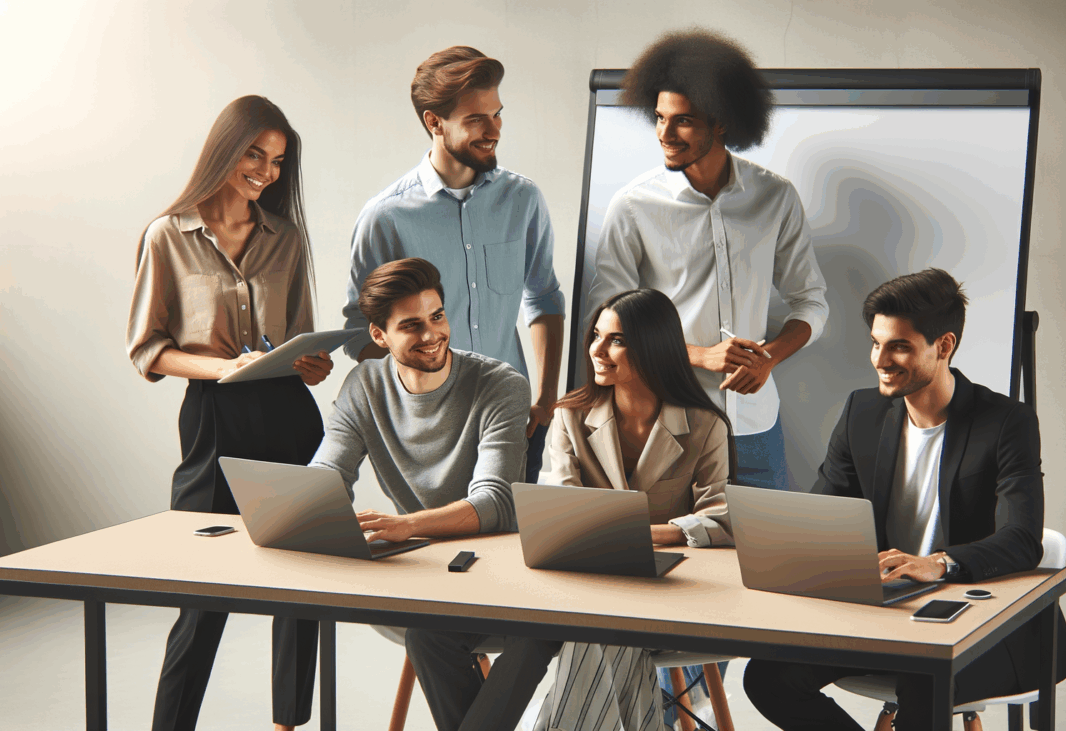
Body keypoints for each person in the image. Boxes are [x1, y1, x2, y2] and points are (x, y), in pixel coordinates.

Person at [742, 269, 1066, 731]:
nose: (881, 359)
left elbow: (1022, 539)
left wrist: (939, 563)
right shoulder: (862, 411)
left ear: (943, 346)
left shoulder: (1005, 421)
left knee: (925, 679)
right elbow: (825, 516)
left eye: (898, 345)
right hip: (887, 617)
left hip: (983, 623)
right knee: (768, 677)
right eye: (876, 343)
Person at [126, 95, 335, 731]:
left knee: (301, 582)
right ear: (226, 149)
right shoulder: (169, 235)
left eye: (277, 161)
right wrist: (223, 368)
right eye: (255, 154)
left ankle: (288, 723)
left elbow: (301, 335)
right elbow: (148, 350)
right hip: (215, 420)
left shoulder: (287, 238)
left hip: (290, 417)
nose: (267, 172)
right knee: (202, 590)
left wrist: (312, 364)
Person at [309, 257, 557, 731]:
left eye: (437, 316)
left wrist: (404, 526)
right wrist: (297, 508)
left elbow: (496, 505)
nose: (432, 334)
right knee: (427, 632)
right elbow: (328, 472)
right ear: (379, 336)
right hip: (428, 576)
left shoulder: (499, 384)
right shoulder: (364, 385)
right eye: (412, 325)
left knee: (530, 632)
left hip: (510, 571)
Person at [587, 29, 829, 493]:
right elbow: (605, 317)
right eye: (659, 118)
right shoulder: (633, 205)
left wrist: (768, 359)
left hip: (756, 428)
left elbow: (811, 303)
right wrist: (700, 355)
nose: (665, 134)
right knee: (678, 556)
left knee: (765, 558)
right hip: (671, 423)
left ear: (721, 122)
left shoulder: (775, 197)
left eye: (683, 121)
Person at [341, 45, 565, 483]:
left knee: (509, 541)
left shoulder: (523, 200)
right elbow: (358, 331)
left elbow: (543, 297)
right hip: (430, 427)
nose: (493, 130)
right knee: (434, 546)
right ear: (434, 122)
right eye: (476, 119)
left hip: (514, 416)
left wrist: (546, 397)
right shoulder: (385, 217)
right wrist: (413, 402)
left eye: (497, 114)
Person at [530, 288, 735, 731]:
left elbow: (721, 519)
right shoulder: (569, 417)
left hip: (670, 592)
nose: (597, 351)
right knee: (605, 627)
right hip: (583, 586)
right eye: (596, 336)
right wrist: (652, 531)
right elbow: (557, 511)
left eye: (616, 340)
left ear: (654, 348)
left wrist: (632, 535)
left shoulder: (705, 426)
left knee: (602, 631)